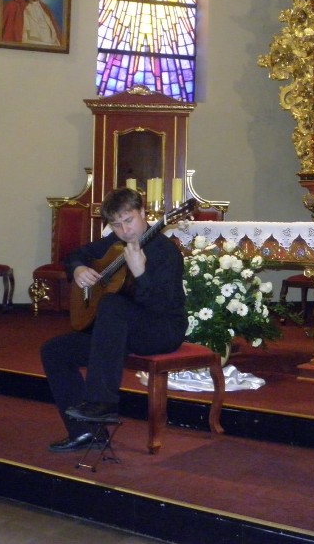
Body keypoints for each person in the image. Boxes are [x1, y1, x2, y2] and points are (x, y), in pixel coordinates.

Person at [40, 188, 186, 453]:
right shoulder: (114, 244)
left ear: (143, 213)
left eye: (128, 221)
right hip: (119, 332)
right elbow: (74, 255)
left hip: (161, 330)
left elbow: (161, 307)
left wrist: (140, 273)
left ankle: (102, 402)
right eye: (116, 225)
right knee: (54, 351)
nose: (124, 231)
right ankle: (87, 433)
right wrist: (79, 269)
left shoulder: (166, 253)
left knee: (112, 303)